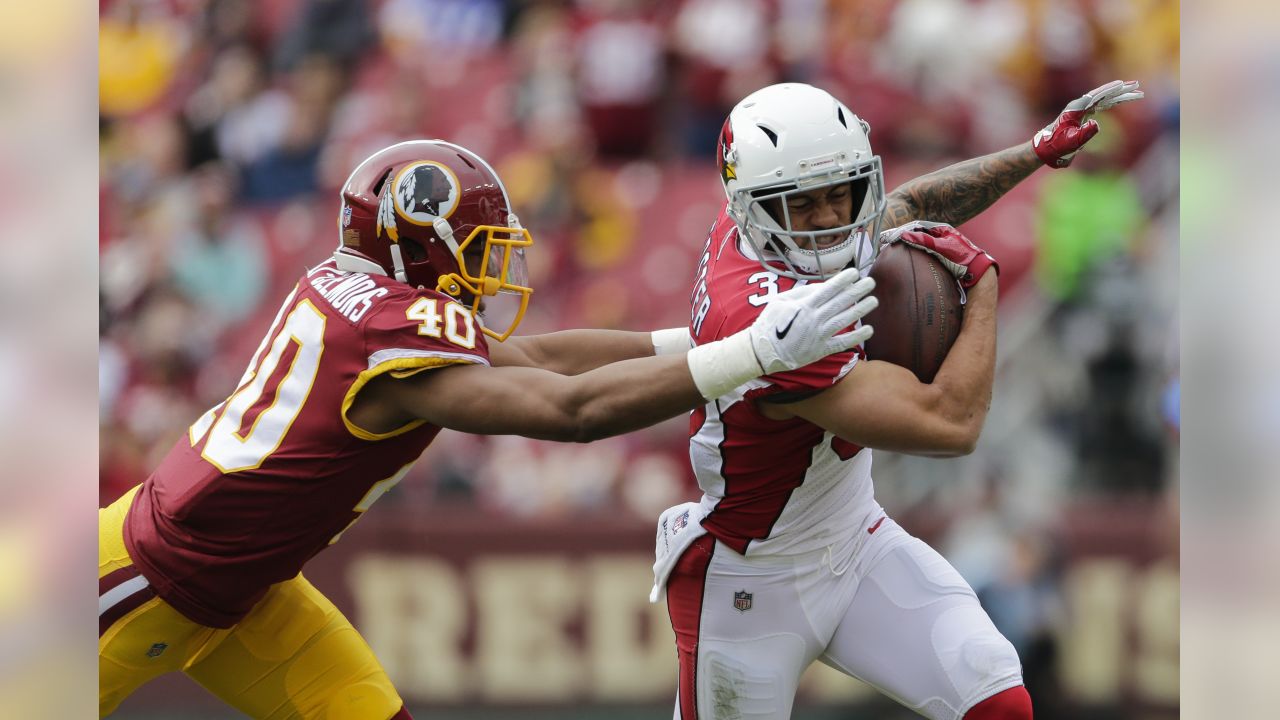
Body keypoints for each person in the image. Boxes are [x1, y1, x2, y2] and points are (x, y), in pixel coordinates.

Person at [97, 139, 882, 719]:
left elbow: (537, 357)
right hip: (145, 577)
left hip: (249, 588)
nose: (489, 269)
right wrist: (751, 354)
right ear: (417, 242)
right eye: (474, 249)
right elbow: (565, 411)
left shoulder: (352, 288)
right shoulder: (394, 340)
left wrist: (707, 340)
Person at [648, 80, 1143, 720]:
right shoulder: (765, 317)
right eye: (804, 205)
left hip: (855, 543)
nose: (831, 219)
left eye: (841, 194)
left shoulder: (765, 223)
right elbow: (952, 424)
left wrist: (1035, 152)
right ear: (756, 209)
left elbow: (907, 206)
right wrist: (982, 284)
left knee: (998, 700)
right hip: (748, 581)